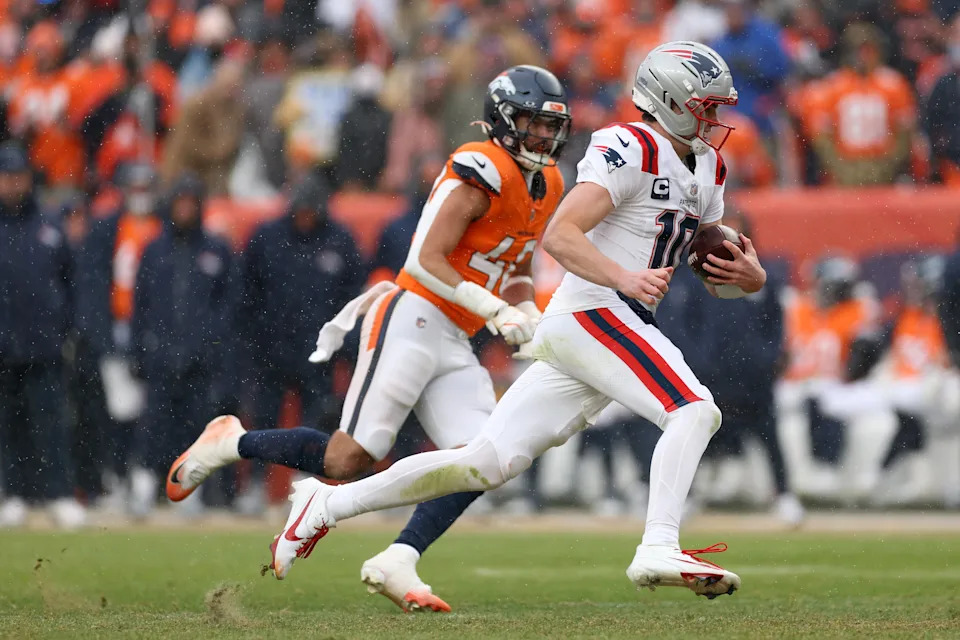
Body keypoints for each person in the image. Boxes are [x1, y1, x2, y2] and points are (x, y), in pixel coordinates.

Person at [267, 42, 764, 600]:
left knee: (483, 462)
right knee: (694, 410)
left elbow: (703, 254)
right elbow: (561, 235)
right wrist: (622, 277)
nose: (716, 118)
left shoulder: (710, 165)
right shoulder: (632, 146)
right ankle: (658, 544)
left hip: (612, 320)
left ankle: (326, 502)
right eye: (707, 106)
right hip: (596, 311)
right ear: (671, 99)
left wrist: (750, 277)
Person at [166, 65, 570, 611]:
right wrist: (495, 307)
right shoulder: (482, 168)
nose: (543, 136)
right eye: (530, 122)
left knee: (481, 460)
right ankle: (230, 443)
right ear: (501, 120)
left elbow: (517, 263)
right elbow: (424, 262)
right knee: (347, 460)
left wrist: (524, 307)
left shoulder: (548, 185)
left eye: (550, 125)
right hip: (414, 317)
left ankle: (400, 557)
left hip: (457, 334)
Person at [129, 173, 238, 516]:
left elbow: (228, 306)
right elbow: (141, 305)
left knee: (197, 426)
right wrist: (140, 349)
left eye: (192, 203)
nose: (186, 209)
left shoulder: (216, 249)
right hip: (160, 354)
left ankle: (190, 491)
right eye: (181, 202)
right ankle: (144, 488)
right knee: (153, 426)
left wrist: (211, 345)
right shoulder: (154, 249)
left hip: (201, 359)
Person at [0, 142, 86, 528]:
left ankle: (59, 494)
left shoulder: (49, 224)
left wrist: (64, 327)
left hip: (45, 345)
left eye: (17, 176)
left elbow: (71, 282)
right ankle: (13, 495)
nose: (12, 184)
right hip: (3, 347)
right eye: (6, 176)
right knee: (9, 426)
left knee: (51, 424)